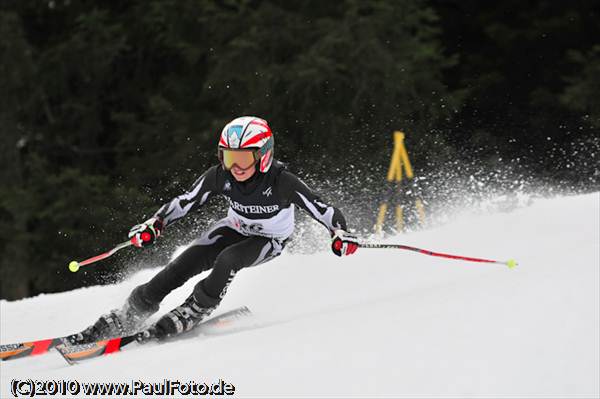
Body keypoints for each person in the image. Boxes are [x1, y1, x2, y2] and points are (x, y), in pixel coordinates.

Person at [71, 116, 359, 344]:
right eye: (229, 157)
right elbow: (185, 202)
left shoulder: (282, 181)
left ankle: (197, 307)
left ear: (264, 155)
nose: (236, 167)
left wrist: (339, 233)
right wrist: (155, 224)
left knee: (228, 260)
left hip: (268, 240)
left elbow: (325, 210)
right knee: (181, 264)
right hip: (233, 228)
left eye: (244, 158)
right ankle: (132, 311)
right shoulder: (220, 176)